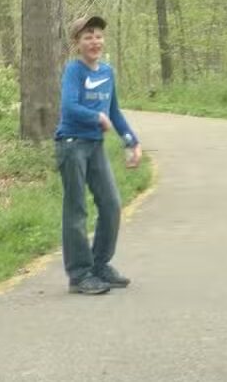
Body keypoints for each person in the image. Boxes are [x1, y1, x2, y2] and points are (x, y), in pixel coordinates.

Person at [54, 15, 143, 295]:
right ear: (77, 43)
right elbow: (69, 107)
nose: (94, 41)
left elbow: (114, 111)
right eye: (87, 36)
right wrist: (96, 118)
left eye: (98, 36)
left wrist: (131, 141)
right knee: (76, 208)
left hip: (94, 146)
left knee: (111, 204)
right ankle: (79, 275)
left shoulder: (106, 72)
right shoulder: (74, 71)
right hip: (71, 145)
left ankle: (100, 264)